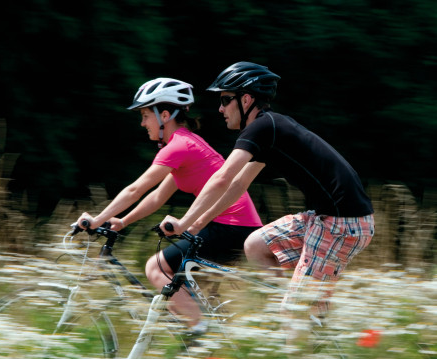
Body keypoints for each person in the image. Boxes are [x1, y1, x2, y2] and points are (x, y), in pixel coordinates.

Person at [160, 62, 375, 344]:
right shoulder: (270, 129)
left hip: (342, 224)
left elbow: (223, 177)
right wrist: (198, 224)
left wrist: (183, 222)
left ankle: (302, 329)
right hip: (323, 218)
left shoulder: (262, 128)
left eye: (225, 100)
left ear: (245, 100)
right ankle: (302, 315)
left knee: (295, 311)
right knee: (256, 245)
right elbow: (238, 185)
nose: (221, 109)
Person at [77, 77, 262, 333]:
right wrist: (122, 221)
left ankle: (200, 336)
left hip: (228, 227)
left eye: (145, 115)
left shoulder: (178, 146)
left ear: (164, 115)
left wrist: (97, 219)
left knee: (155, 267)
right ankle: (209, 343)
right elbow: (157, 197)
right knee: (188, 294)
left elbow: (136, 189)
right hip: (235, 228)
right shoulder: (187, 143)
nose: (142, 123)